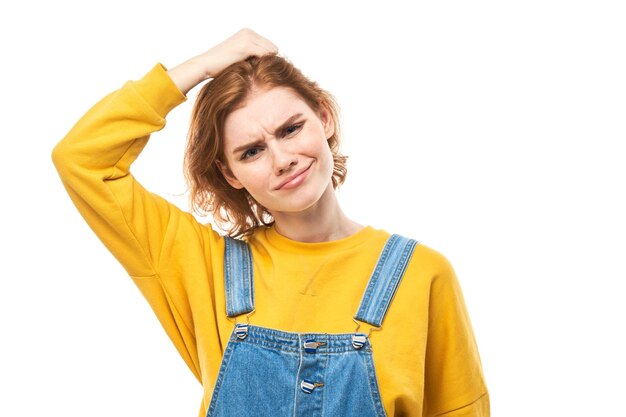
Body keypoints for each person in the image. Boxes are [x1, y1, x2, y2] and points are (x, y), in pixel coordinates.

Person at [52, 28, 489, 417]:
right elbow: (82, 160)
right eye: (251, 151)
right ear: (229, 173)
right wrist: (198, 67)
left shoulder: (422, 274)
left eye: (290, 129)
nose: (282, 160)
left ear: (324, 117)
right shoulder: (202, 267)